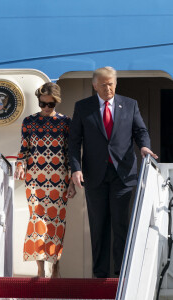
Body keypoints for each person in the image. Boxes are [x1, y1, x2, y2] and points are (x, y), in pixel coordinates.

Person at [69, 66, 158, 278]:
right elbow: (74, 141)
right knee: (98, 225)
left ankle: (121, 274)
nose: (108, 88)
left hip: (123, 175)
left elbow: (140, 131)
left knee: (121, 225)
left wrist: (144, 146)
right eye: (103, 84)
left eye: (111, 84)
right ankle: (99, 274)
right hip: (95, 175)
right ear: (94, 85)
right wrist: (76, 168)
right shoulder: (83, 107)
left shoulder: (129, 104)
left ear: (115, 83)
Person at [14, 82, 76, 278]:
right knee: (37, 221)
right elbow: (24, 149)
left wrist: (72, 182)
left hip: (59, 180)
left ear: (56, 102)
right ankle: (40, 269)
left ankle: (55, 264)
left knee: (56, 223)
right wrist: (19, 164)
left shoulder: (66, 122)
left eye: (50, 105)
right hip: (35, 180)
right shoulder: (29, 122)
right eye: (42, 104)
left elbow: (70, 153)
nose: (46, 108)